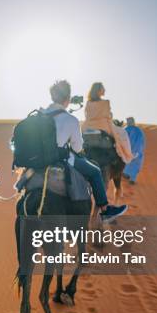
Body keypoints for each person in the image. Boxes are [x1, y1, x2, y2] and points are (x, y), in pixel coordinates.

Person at [40, 80, 128, 221]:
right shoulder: (71, 120)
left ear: (52, 96)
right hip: (61, 159)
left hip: (37, 160)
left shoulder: (39, 114)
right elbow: (77, 148)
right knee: (95, 171)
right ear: (68, 99)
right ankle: (105, 209)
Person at [82, 83, 134, 164]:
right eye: (103, 89)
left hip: (87, 127)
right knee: (122, 132)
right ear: (99, 91)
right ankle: (127, 155)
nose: (104, 90)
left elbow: (87, 115)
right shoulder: (106, 102)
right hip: (103, 126)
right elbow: (108, 117)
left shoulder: (88, 102)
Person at [123, 117, 146, 184]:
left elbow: (122, 139)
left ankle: (126, 174)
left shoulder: (126, 129)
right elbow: (143, 142)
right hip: (138, 151)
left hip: (128, 150)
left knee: (127, 162)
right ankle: (133, 179)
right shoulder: (139, 130)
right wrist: (140, 150)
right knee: (135, 164)